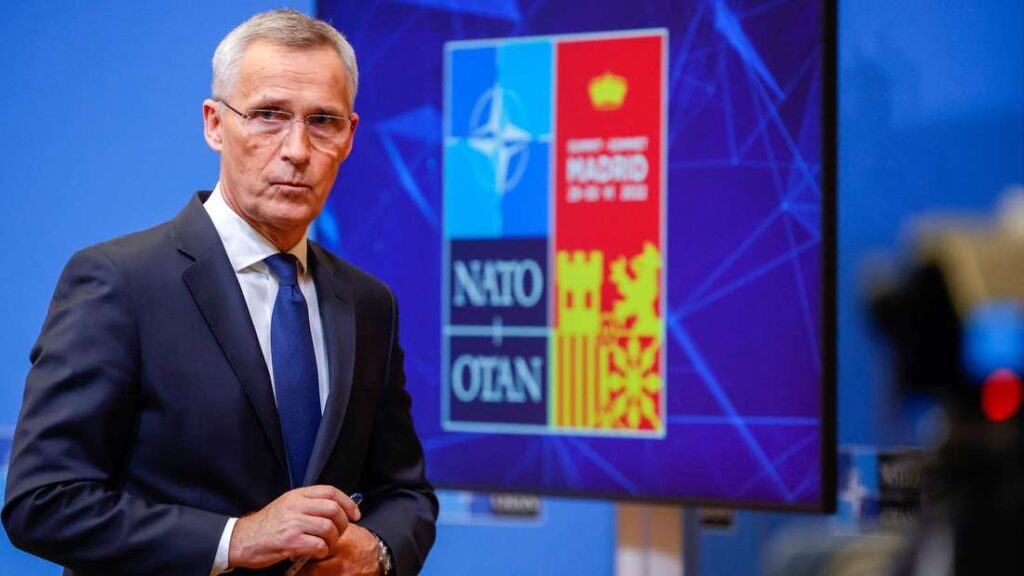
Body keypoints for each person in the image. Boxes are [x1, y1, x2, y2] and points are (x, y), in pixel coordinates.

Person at [2, 9, 437, 576]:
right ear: (214, 124)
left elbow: (405, 493)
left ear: (349, 136)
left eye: (322, 121)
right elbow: (43, 501)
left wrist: (376, 552)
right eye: (268, 115)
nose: (297, 149)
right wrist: (235, 539)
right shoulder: (119, 282)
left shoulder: (369, 303)